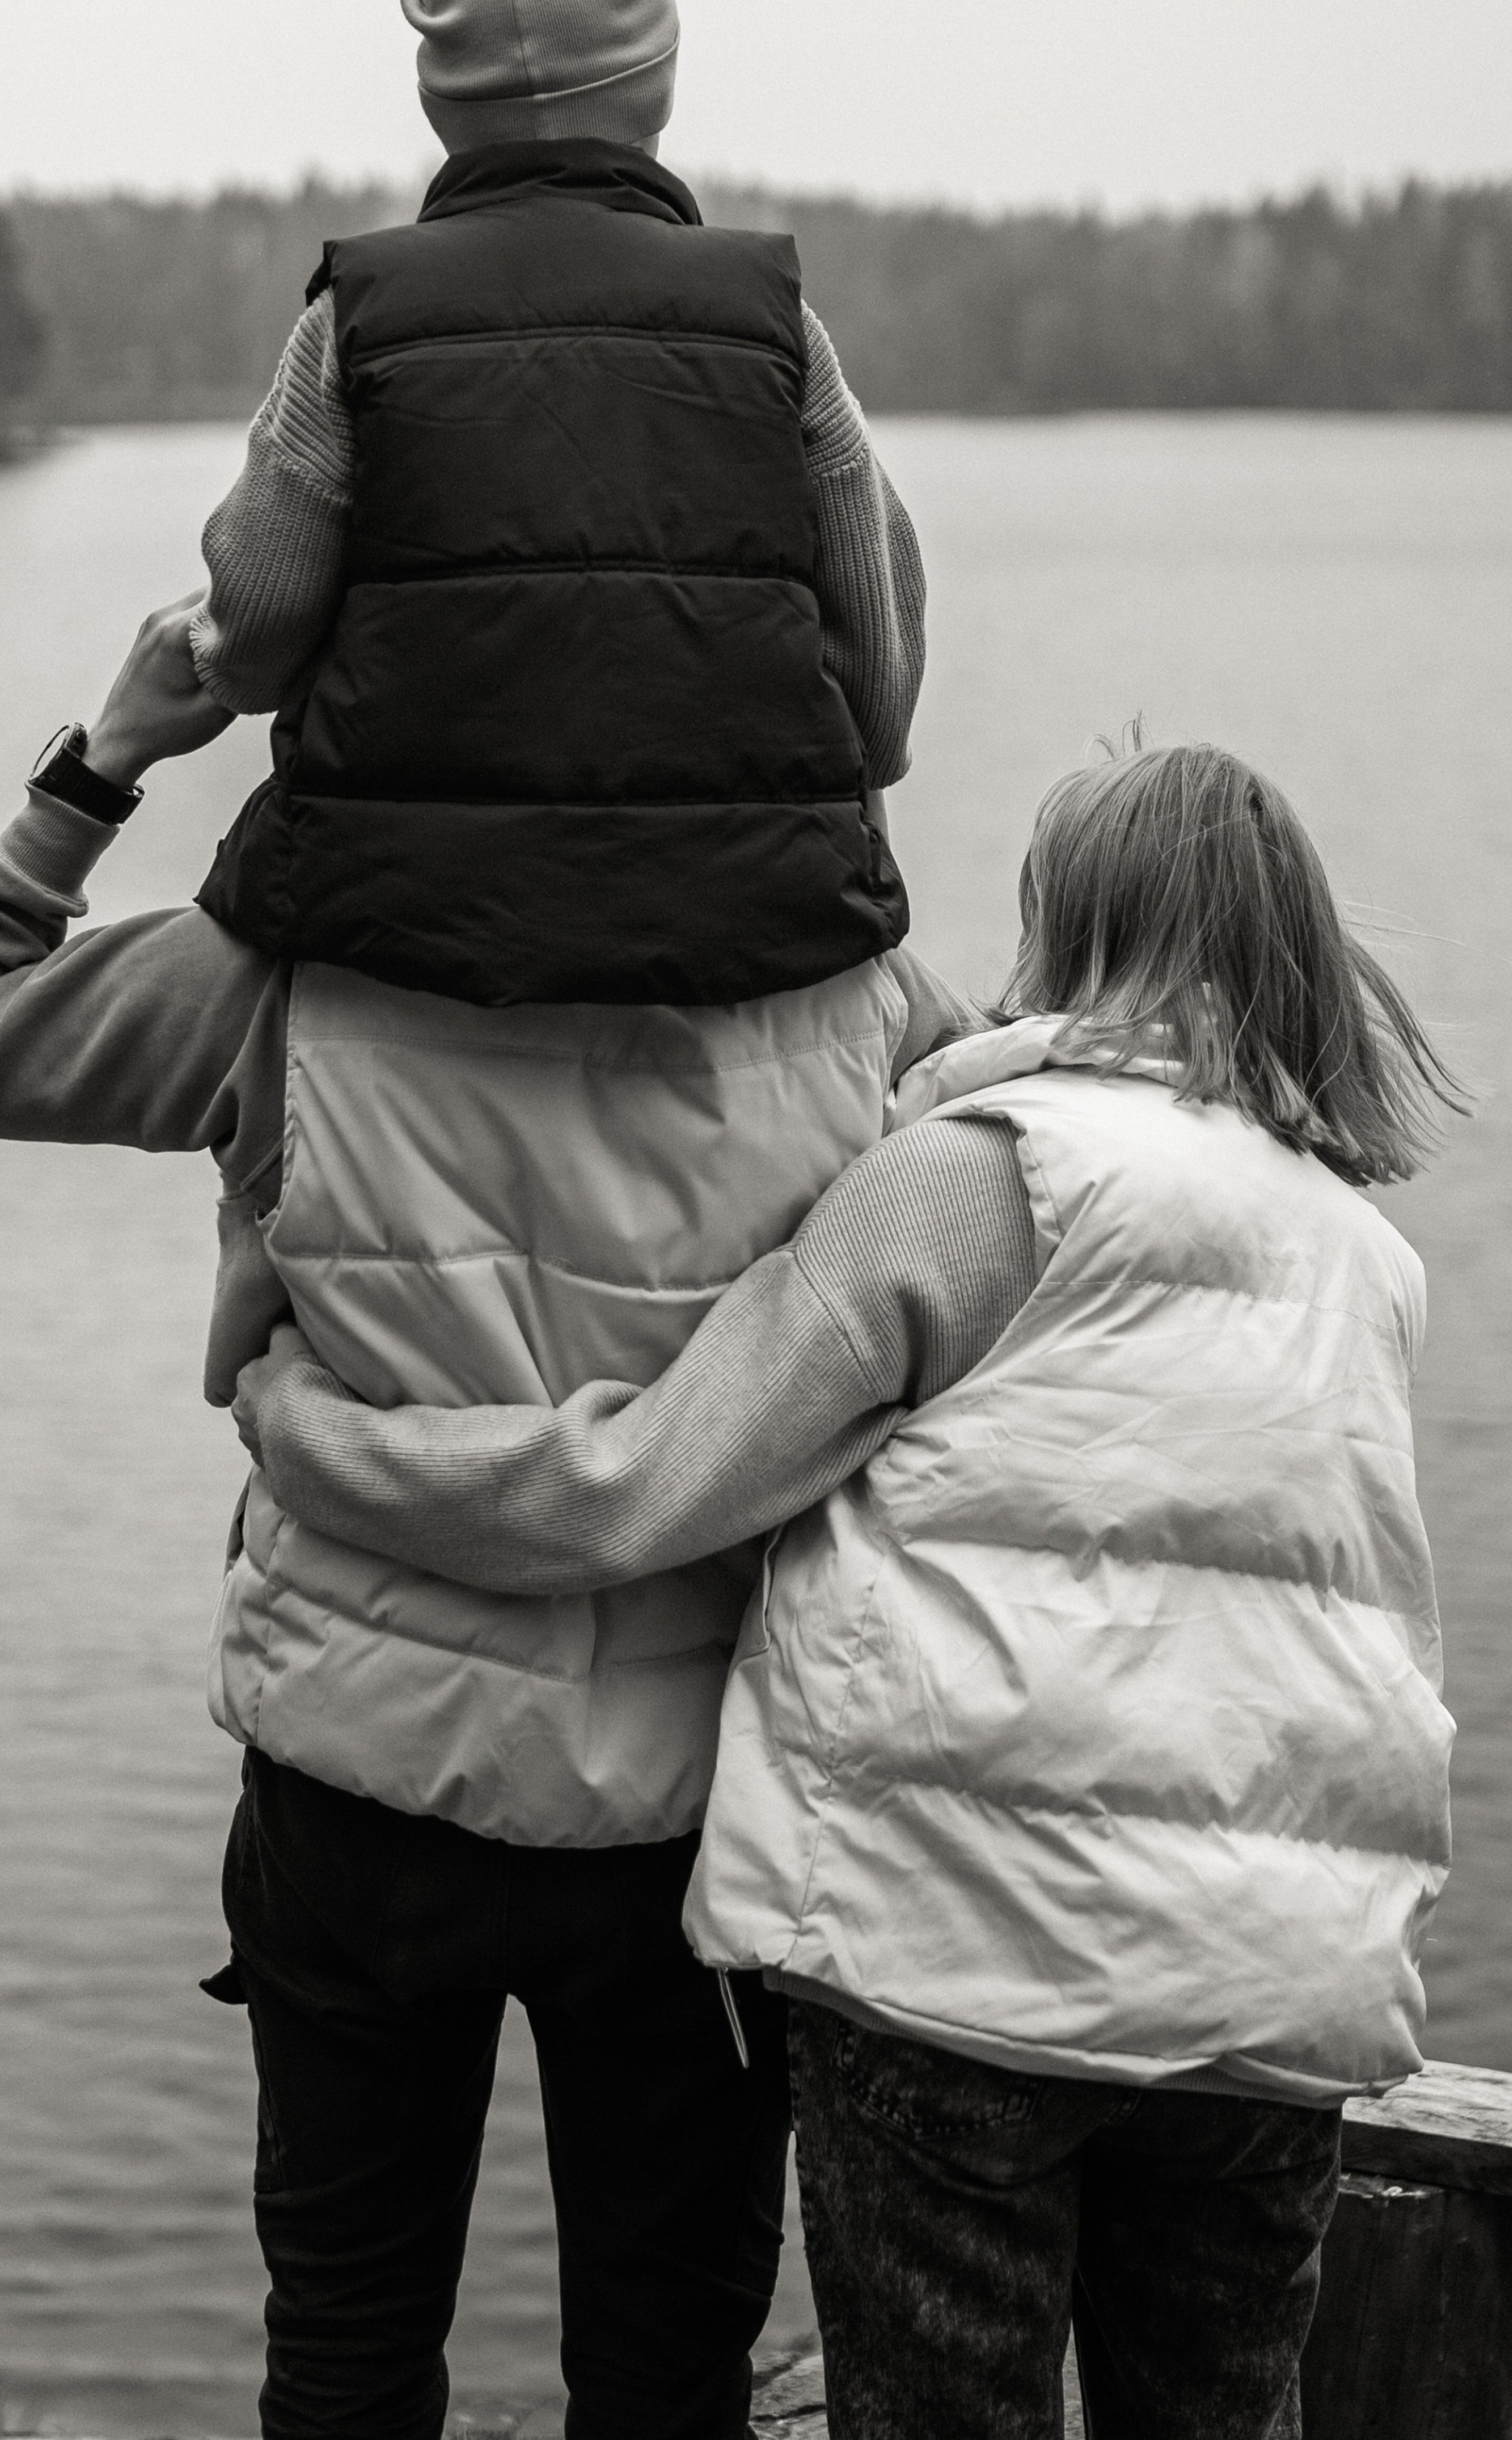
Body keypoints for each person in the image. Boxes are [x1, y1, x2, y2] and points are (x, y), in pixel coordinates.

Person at [235, 739, 1463, 2440]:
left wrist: (310, 1432)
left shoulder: (978, 1178)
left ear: (1065, 919)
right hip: (1271, 1989)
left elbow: (636, 1490)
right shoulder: (1356, 1249)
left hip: (966, 1970)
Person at [0, 596, 974, 2440]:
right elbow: (1031, 1195)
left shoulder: (279, 970)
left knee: (350, 2355)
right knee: (665, 2379)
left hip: (357, 1787)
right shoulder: (852, 987)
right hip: (694, 1820)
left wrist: (108, 750)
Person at [33, 0, 926, 1009]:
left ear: (439, 96)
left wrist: (202, 665)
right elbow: (881, 702)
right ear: (656, 81)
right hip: (753, 933)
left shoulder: (357, 321)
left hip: (390, 928)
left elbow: (256, 632)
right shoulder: (775, 329)